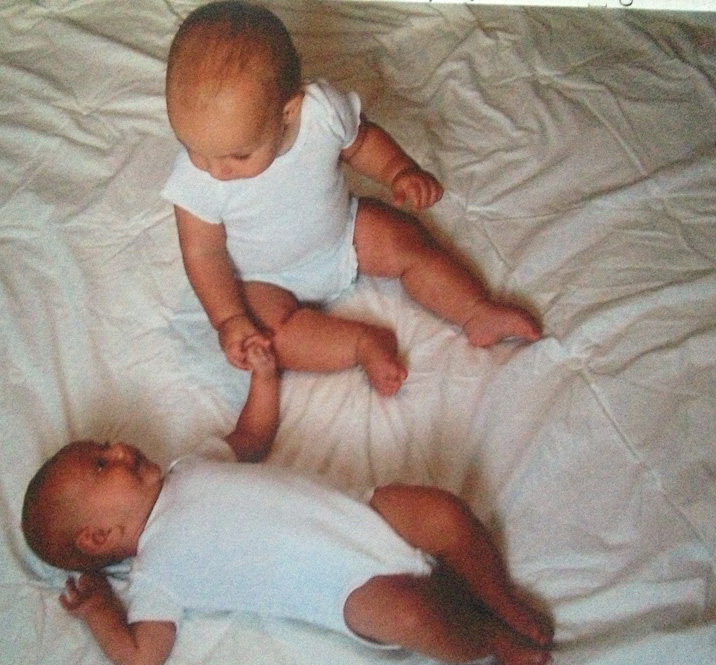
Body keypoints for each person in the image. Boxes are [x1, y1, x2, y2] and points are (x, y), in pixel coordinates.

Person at [21, 344, 553, 665]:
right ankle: (491, 638)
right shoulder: (154, 577)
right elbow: (141, 659)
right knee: (412, 618)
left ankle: (501, 600)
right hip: (345, 590)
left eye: (104, 445)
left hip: (365, 513)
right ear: (98, 537)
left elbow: (252, 436)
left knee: (443, 512)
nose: (117, 448)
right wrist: (100, 612)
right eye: (101, 464)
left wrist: (264, 377)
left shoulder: (188, 466)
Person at [161, 1, 541, 397]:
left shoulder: (322, 113)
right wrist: (228, 318)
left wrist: (399, 171)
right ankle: (361, 344)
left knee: (405, 237)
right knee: (268, 338)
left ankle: (476, 311)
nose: (214, 169)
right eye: (192, 147)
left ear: (288, 112)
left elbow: (361, 143)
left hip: (343, 234)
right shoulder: (195, 178)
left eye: (238, 156)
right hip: (263, 278)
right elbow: (203, 253)